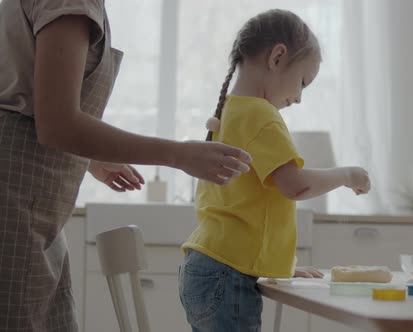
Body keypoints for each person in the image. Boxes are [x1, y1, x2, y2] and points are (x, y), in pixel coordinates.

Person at [0, 1, 251, 330]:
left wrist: (90, 158)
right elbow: (57, 123)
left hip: (33, 207)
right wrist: (180, 155)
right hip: (16, 204)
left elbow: (29, 100)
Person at [178, 9, 371, 331]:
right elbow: (295, 186)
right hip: (227, 272)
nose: (297, 98)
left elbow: (243, 202)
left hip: (208, 264)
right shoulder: (261, 114)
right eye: (302, 83)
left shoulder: (231, 110)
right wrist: (347, 175)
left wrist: (277, 263)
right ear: (278, 57)